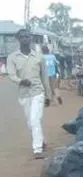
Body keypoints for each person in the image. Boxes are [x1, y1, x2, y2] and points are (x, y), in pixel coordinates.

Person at [7, 29, 51, 159]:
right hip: (24, 94)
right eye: (22, 37)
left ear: (30, 38)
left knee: (34, 119)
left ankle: (37, 149)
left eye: (27, 36)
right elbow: (11, 75)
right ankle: (41, 140)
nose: (25, 39)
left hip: (38, 92)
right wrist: (21, 81)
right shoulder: (12, 57)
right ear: (18, 39)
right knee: (30, 121)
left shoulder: (39, 56)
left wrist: (48, 95)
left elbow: (45, 77)